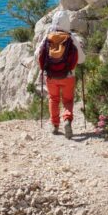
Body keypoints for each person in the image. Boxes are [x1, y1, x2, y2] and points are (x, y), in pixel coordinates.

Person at [37, 9, 84, 138]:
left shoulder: (48, 37)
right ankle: (67, 119)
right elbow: (81, 59)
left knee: (53, 99)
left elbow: (38, 54)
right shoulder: (71, 38)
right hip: (68, 75)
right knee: (68, 100)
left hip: (51, 75)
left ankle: (55, 125)